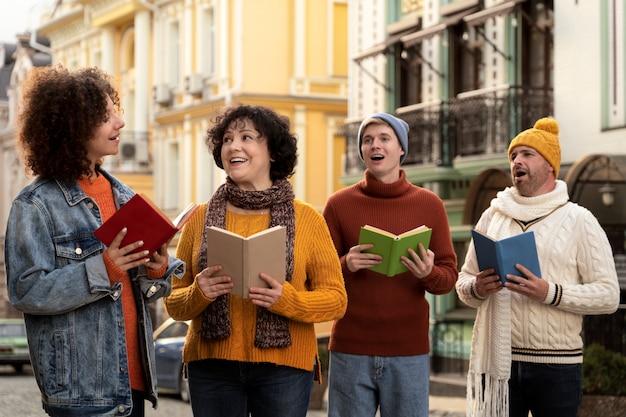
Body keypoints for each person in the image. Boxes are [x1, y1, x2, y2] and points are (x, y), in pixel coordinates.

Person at [4, 65, 185, 417]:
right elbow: (26, 291)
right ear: (72, 128)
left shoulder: (124, 196)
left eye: (115, 112)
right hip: (80, 391)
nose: (119, 122)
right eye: (105, 117)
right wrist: (103, 268)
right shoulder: (35, 205)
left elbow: (145, 291)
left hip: (133, 385)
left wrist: (157, 267)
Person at [163, 104, 347, 417]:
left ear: (273, 152)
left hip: (284, 369)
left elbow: (336, 301)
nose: (233, 146)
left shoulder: (308, 220)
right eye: (227, 139)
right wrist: (199, 292)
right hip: (211, 367)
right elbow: (173, 302)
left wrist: (286, 300)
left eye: (247, 137)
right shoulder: (200, 219)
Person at [456, 117, 620, 417]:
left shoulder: (579, 220)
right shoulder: (493, 215)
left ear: (549, 166)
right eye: (514, 156)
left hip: (557, 367)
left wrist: (550, 292)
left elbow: (609, 296)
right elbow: (463, 281)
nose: (517, 160)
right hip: (499, 365)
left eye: (527, 154)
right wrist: (476, 288)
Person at [322, 112, 459, 417]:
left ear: (401, 149)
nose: (374, 145)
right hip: (349, 349)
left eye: (384, 138)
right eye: (367, 140)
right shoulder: (338, 204)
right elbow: (317, 276)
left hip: (408, 352)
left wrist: (428, 273)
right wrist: (347, 264)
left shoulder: (430, 205)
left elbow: (449, 277)